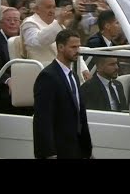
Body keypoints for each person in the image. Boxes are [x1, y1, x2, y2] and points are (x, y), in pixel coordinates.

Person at [33, 29, 92, 159]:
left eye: (78, 47)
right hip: (58, 150)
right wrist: (48, 153)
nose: (78, 51)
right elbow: (43, 119)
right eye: (73, 47)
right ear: (60, 47)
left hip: (76, 148)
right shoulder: (48, 76)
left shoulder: (74, 76)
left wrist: (87, 150)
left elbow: (80, 114)